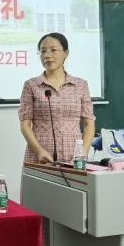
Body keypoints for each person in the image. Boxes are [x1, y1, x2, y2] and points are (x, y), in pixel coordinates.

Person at [18, 32, 95, 165]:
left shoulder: (80, 85)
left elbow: (89, 123)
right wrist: (39, 151)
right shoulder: (31, 85)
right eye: (43, 51)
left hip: (74, 156)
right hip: (41, 155)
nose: (47, 55)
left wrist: (83, 153)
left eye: (53, 50)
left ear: (66, 53)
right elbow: (25, 124)